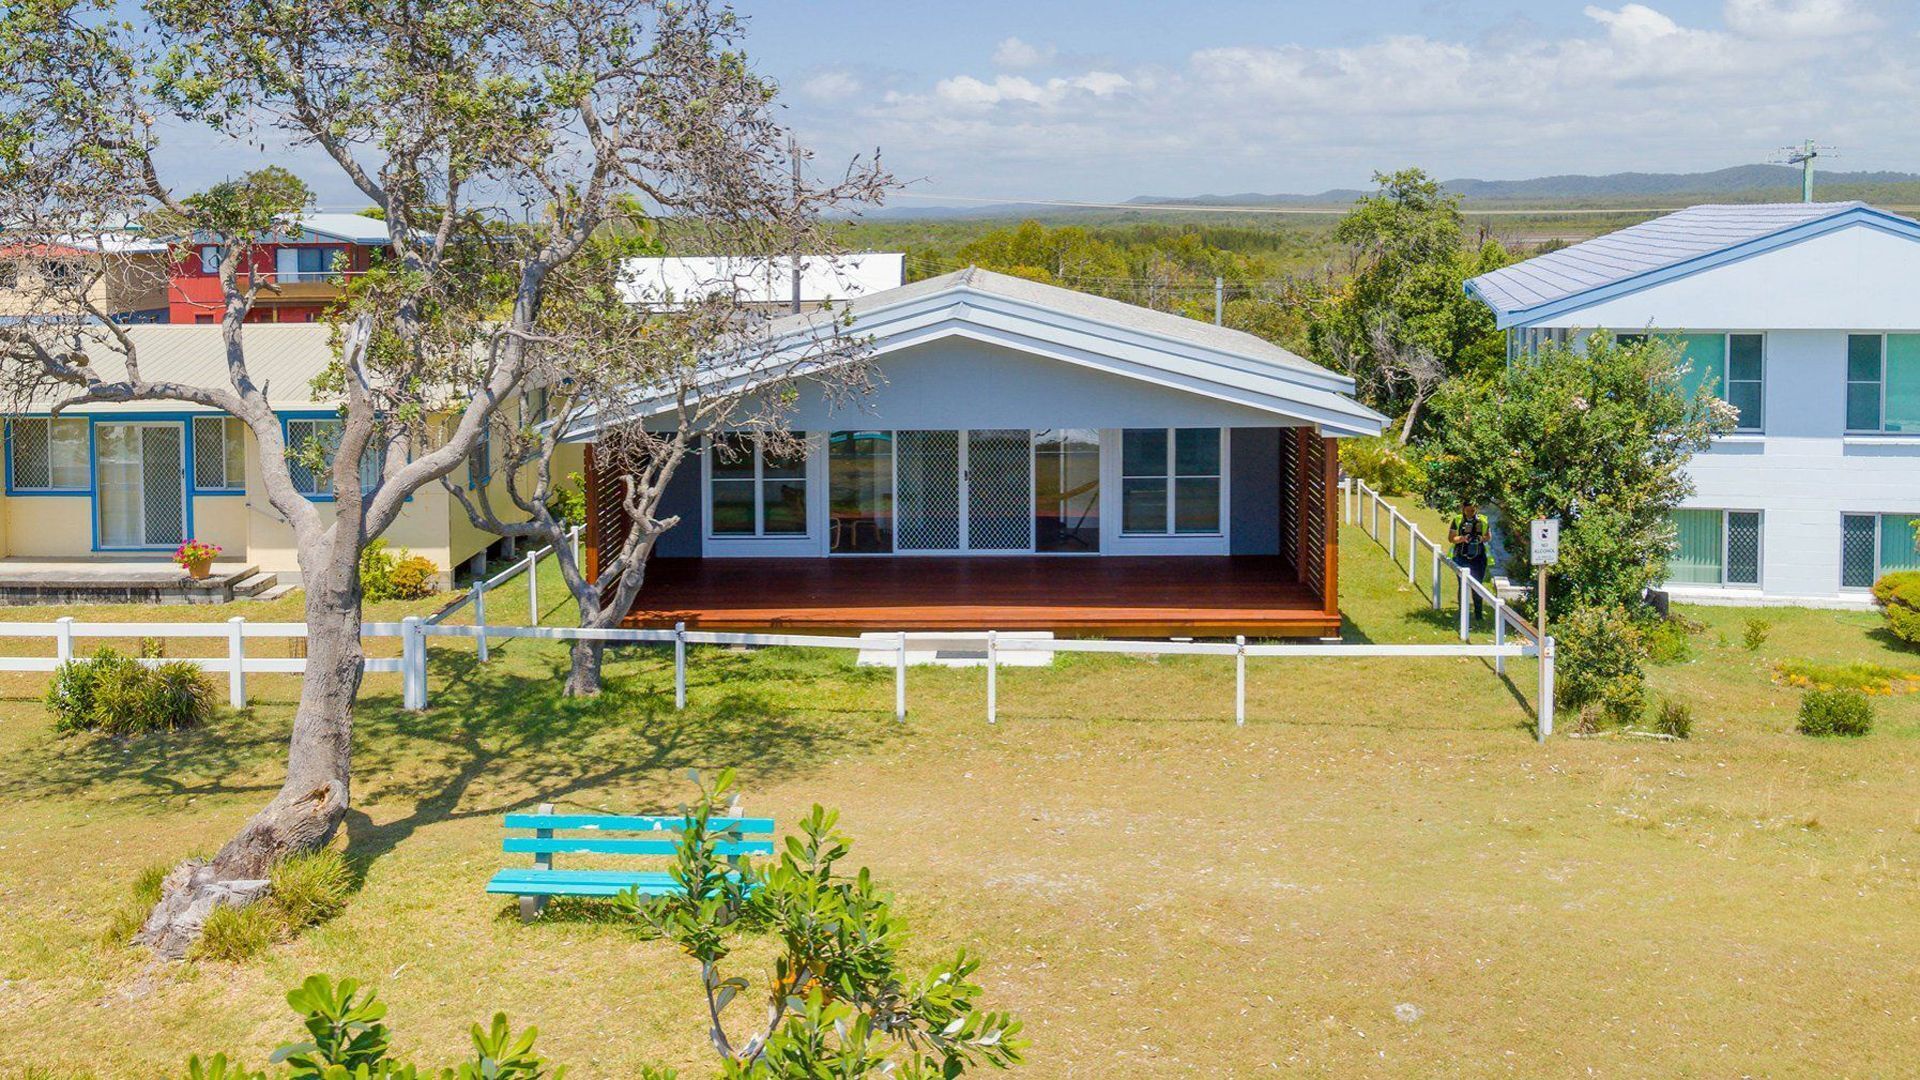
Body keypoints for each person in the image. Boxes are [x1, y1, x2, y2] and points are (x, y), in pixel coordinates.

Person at [1449, 499, 1491, 622]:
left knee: (1477, 586)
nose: (1470, 513)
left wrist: (1480, 538)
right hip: (1461, 557)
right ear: (1463, 509)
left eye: (1473, 510)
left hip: (1479, 558)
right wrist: (1462, 538)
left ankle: (1478, 616)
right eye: (1468, 510)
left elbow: (1488, 537)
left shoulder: (1483, 520)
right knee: (1463, 585)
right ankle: (1463, 614)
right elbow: (1451, 538)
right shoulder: (1457, 520)